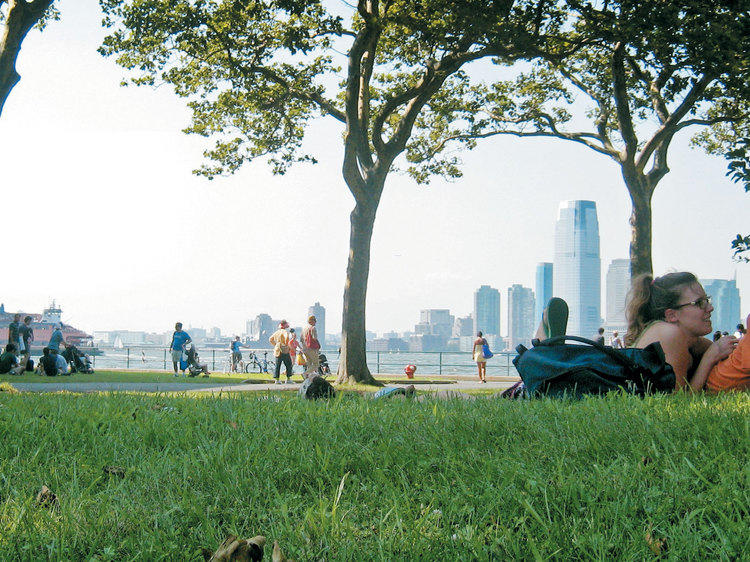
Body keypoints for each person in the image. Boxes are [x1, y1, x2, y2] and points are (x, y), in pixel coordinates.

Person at [624, 272, 746, 392]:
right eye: (699, 303)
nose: (710, 308)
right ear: (672, 315)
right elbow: (677, 403)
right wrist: (709, 359)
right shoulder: (669, 334)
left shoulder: (691, 340)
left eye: (707, 300)